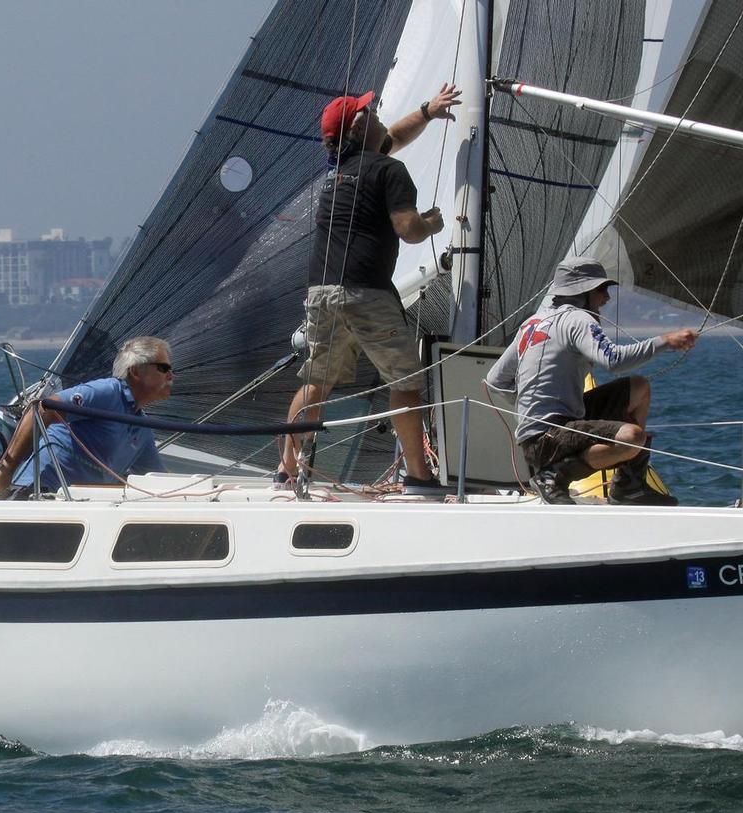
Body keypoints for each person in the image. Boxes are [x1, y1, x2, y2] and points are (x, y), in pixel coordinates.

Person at [278, 83, 461, 488]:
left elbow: (392, 135)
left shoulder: (337, 169)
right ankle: (418, 475)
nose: (378, 115)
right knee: (406, 382)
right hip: (366, 292)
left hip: (320, 290)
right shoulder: (388, 171)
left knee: (317, 382)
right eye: (371, 113)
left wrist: (427, 111)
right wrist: (433, 222)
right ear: (361, 130)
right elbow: (409, 230)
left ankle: (286, 470)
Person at [484, 258, 698, 505]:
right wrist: (666, 341)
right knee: (632, 437)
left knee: (639, 388)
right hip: (549, 438)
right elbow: (613, 360)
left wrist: (527, 410)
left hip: (544, 432)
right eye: (601, 289)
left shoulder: (532, 323)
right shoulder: (579, 319)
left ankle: (630, 483)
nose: (606, 298)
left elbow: (495, 380)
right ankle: (554, 476)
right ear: (582, 292)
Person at [0, 336, 173, 496]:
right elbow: (42, 409)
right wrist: (5, 471)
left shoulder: (141, 426)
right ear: (135, 371)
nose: (171, 375)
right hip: (38, 494)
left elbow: (158, 480)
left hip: (78, 506)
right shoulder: (107, 391)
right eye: (164, 368)